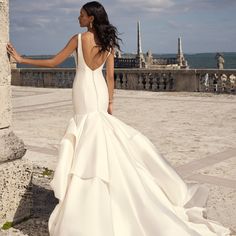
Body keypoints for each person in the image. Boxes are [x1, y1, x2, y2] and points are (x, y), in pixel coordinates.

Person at [6, 1, 232, 236]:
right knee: (101, 134)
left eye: (81, 15)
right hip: (100, 91)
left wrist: (22, 59)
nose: (78, 18)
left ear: (90, 18)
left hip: (83, 89)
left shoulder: (78, 39)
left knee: (87, 135)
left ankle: (88, 199)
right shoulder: (108, 43)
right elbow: (110, 77)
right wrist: (110, 102)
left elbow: (54, 62)